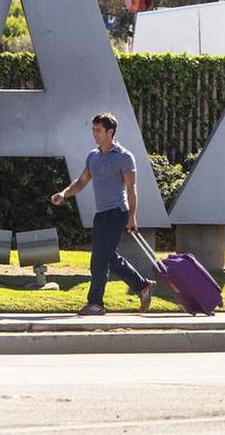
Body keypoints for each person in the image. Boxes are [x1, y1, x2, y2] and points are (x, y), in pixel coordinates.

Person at [50, 112, 156, 316]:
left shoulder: (124, 156)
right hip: (101, 214)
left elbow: (131, 188)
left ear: (110, 132)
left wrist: (132, 216)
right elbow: (81, 182)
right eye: (93, 130)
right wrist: (64, 193)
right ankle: (142, 285)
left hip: (117, 212)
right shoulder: (93, 156)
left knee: (99, 259)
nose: (95, 134)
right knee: (107, 257)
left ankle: (95, 303)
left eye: (98, 130)